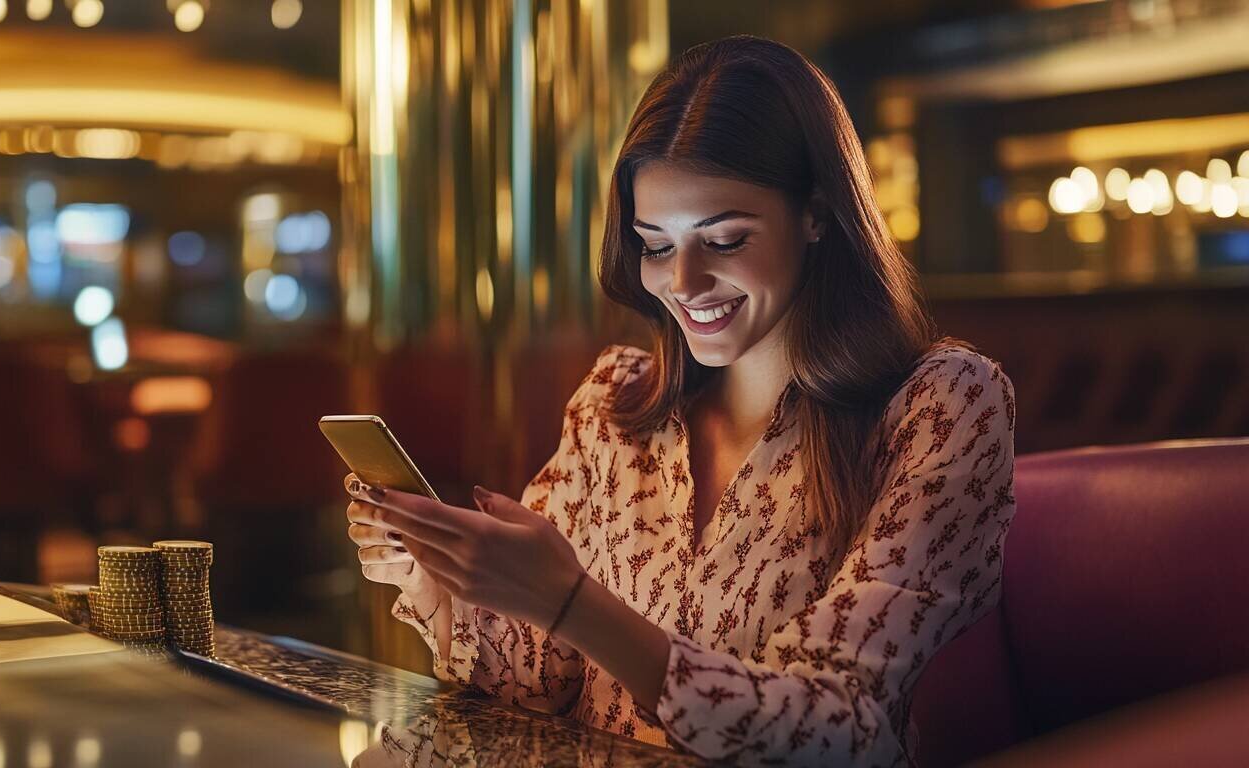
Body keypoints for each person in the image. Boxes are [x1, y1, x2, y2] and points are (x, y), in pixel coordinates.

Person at [345, 34, 1015, 766]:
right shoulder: (615, 400)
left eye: (723, 239)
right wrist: (434, 570)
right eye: (656, 246)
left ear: (817, 213)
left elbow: (836, 724)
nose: (684, 285)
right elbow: (534, 684)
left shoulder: (942, 404)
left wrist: (571, 603)